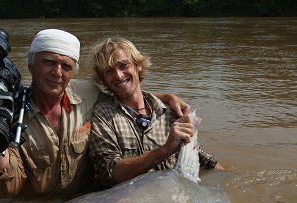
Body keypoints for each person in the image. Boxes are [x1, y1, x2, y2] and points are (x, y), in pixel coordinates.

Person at [0, 29, 190, 199]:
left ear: (73, 71)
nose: (57, 72)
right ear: (32, 64)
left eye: (66, 66)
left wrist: (166, 98)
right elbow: (7, 190)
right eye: (48, 62)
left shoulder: (87, 94)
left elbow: (123, 90)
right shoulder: (13, 111)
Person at [89, 37, 223, 188]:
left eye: (123, 65)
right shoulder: (102, 114)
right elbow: (107, 174)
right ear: (103, 80)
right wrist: (164, 151)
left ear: (138, 65)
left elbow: (198, 157)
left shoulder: (170, 110)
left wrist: (235, 178)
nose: (119, 75)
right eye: (109, 71)